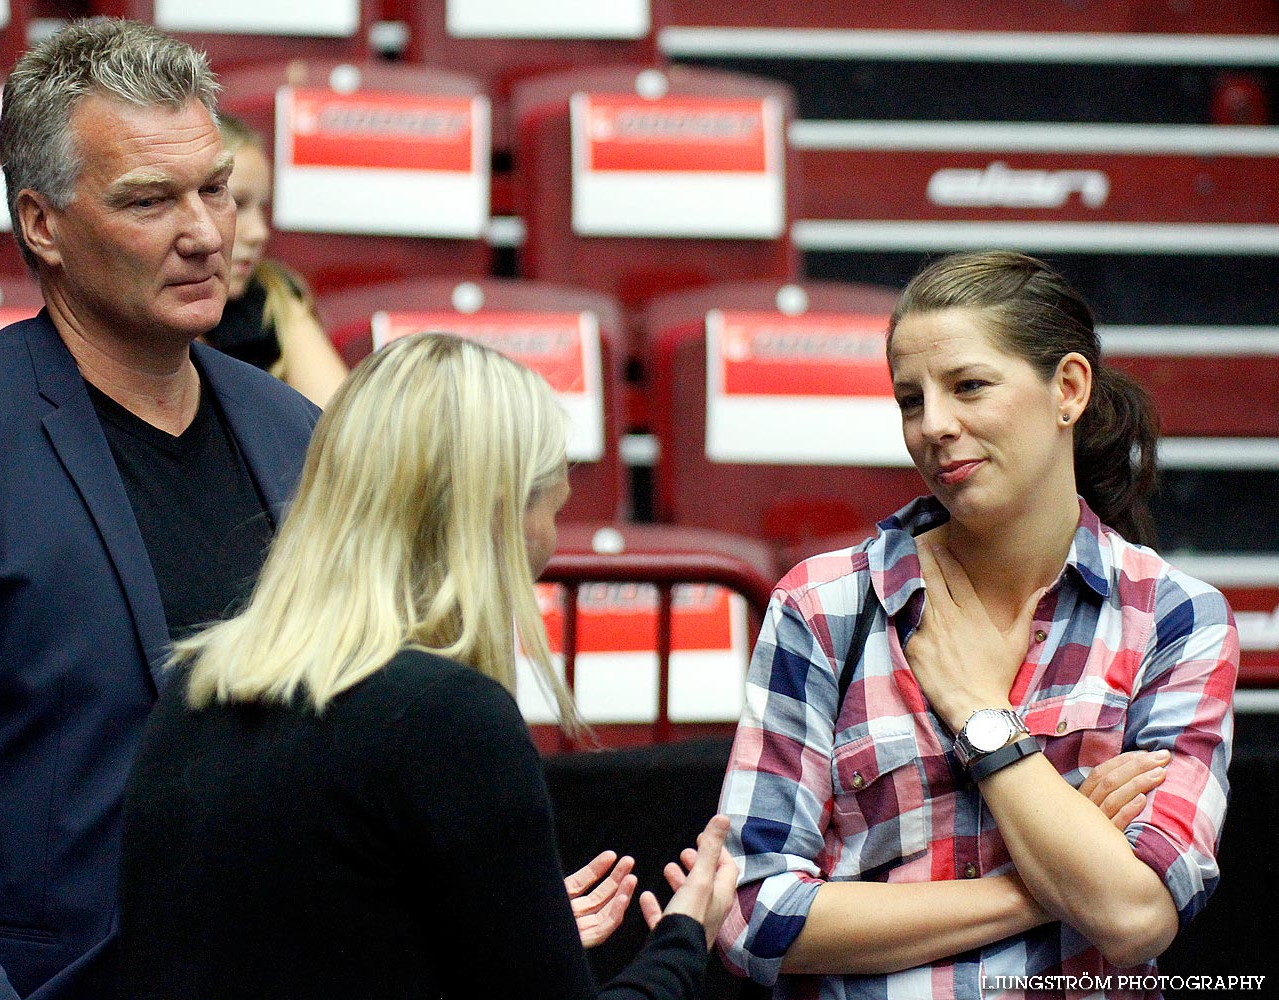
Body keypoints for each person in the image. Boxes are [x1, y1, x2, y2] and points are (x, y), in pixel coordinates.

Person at [0, 18, 321, 999]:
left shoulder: (296, 433)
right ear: (42, 223)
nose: (204, 233)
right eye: (149, 200)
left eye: (216, 189)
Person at [117, 332, 738, 999]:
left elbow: (330, 938)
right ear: (500, 517)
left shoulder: (196, 685)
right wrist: (682, 939)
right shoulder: (449, 718)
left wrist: (506, 923)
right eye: (551, 508)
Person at [717, 250, 1238, 998]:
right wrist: (1052, 880)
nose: (934, 425)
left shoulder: (1175, 619)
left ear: (1068, 388)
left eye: (968, 386)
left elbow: (1137, 919)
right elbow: (750, 916)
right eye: (909, 400)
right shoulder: (824, 603)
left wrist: (982, 717)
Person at [205, 113, 347, 408]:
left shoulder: (274, 296)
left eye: (261, 208)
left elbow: (347, 434)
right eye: (237, 203)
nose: (259, 232)